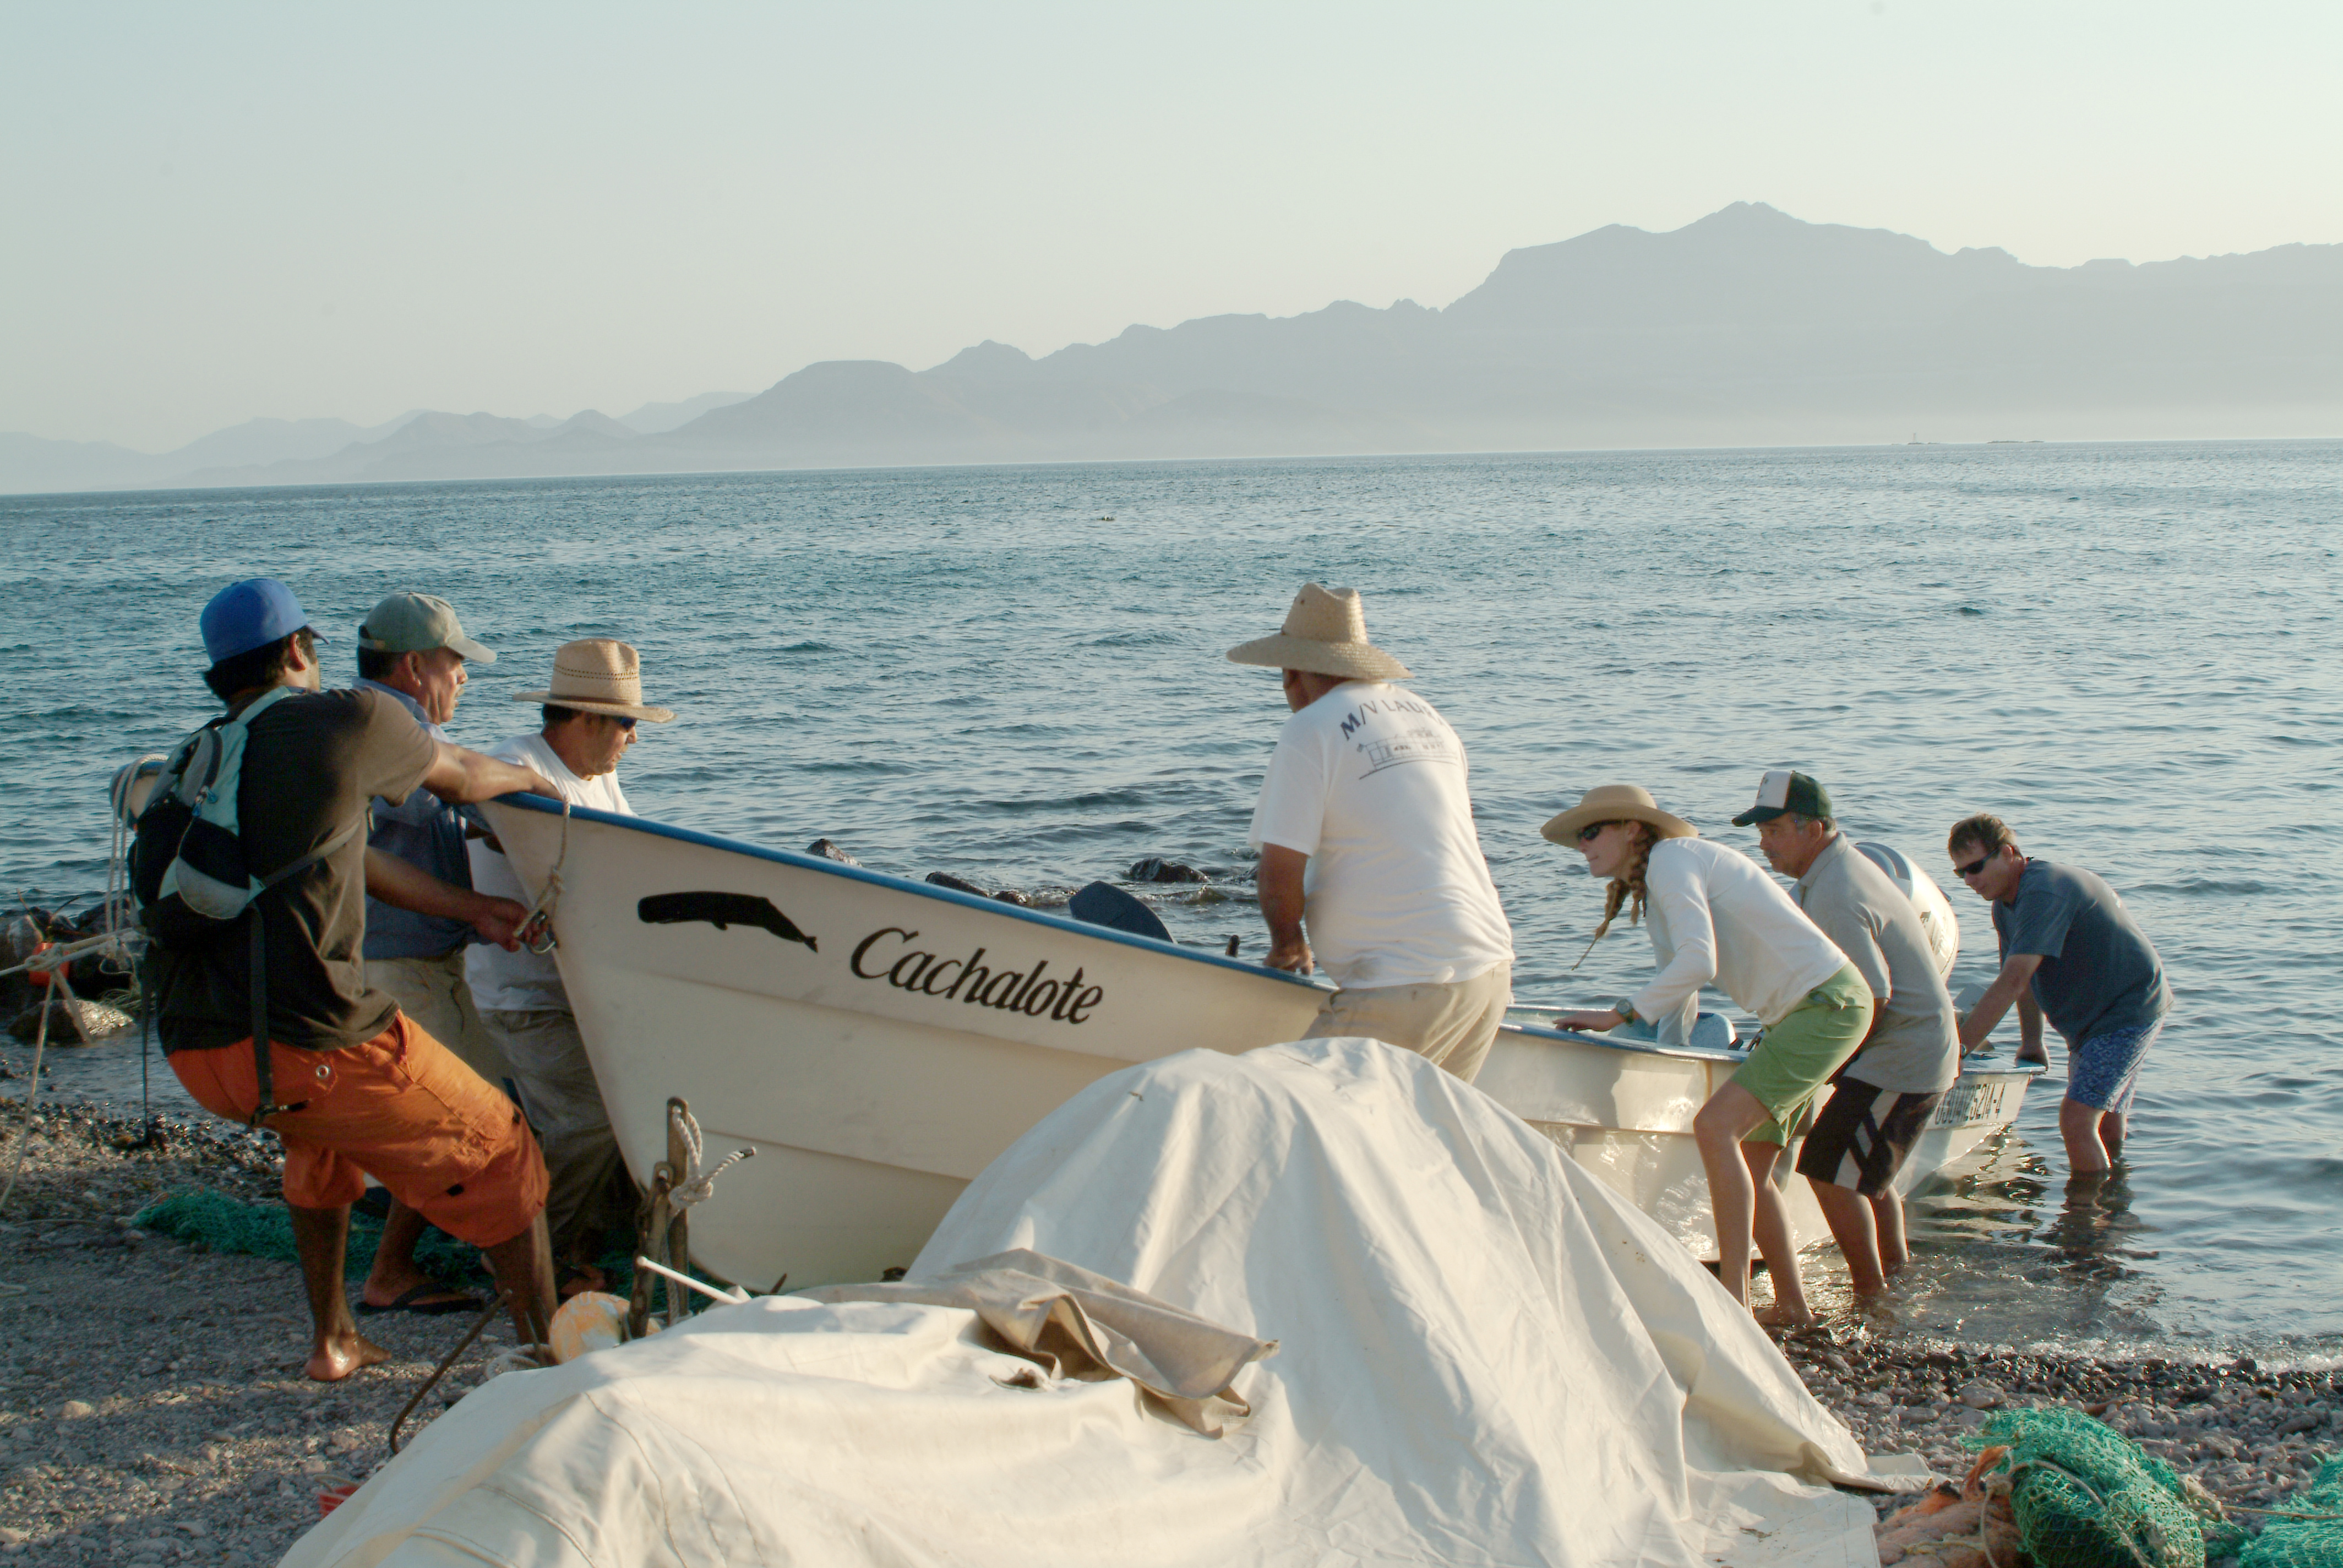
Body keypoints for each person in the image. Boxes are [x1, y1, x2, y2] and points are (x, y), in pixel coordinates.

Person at [149, 579, 562, 1380]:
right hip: (311, 1038)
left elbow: (354, 861)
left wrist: (468, 907)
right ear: (300, 650)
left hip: (198, 1046)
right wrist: (537, 782)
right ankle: (549, 1368)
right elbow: (462, 776)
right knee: (505, 1146)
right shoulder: (349, 719)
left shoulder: (199, 755)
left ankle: (334, 1341)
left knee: (322, 1149)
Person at [1545, 783, 1872, 1321]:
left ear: (1632, 829)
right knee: (1751, 1160)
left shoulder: (1672, 860)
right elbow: (1679, 989)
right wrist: (1661, 1060)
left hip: (1825, 1006)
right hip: (1802, 1013)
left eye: (1590, 832)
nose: (1582, 846)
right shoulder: (1658, 880)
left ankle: (1734, 1303)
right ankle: (1791, 1305)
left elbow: (1698, 960)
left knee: (1714, 1129)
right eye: (1578, 837)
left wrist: (1617, 1015)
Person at [1227, 582, 1514, 1082]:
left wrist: (1288, 947)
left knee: (1298, 1122)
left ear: (1291, 672)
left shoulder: (1309, 730)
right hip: (1488, 974)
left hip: (1404, 984)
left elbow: (1279, 872)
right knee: (1409, 1146)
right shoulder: (1429, 718)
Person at [467, 639, 676, 1293]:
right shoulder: (515, 767)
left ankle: (592, 1239)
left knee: (630, 1109)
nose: (633, 738)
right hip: (527, 995)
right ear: (585, 718)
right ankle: (524, 1258)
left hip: (586, 989)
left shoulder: (592, 772)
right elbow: (485, 820)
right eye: (625, 722)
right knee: (583, 1121)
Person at [352, 590, 516, 1316]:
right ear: (417, 666)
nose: (465, 679)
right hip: (393, 966)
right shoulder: (386, 732)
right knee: (450, 1120)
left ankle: (502, 1250)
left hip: (424, 964)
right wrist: (534, 784)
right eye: (457, 663)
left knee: (492, 1109)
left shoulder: (381, 729)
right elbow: (375, 862)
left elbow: (430, 818)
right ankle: (392, 1274)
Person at [1739, 771, 1959, 1313]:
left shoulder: (1836, 890)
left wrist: (1820, 1063)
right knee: (1865, 1175)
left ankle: (1870, 1296)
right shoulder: (1830, 870)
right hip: (1907, 1048)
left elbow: (1873, 995)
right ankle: (1895, 1279)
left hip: (1903, 1053)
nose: (1762, 844)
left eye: (1772, 831)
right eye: (1759, 831)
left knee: (1829, 1168)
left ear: (1812, 828)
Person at [1946, 813, 2171, 1176]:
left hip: (2126, 1011)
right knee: (2104, 1123)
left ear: (2008, 853)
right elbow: (2022, 978)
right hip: (2089, 1023)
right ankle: (2112, 1205)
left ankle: (2084, 1223)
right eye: (1961, 873)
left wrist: (1955, 1051)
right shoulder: (2005, 906)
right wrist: (2032, 1041)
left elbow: (2012, 981)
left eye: (1975, 867)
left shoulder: (2043, 892)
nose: (1970, 881)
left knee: (2077, 1120)